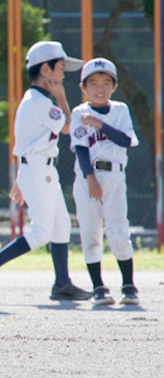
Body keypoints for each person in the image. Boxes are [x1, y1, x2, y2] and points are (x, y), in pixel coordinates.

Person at [0, 41, 92, 301]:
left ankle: (61, 284)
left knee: (61, 226)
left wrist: (21, 177)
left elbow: (24, 140)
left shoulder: (35, 99)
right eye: (59, 68)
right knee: (42, 231)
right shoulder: (39, 100)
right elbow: (68, 127)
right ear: (45, 70)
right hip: (38, 169)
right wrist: (61, 97)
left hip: (39, 169)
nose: (63, 74)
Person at [68, 58, 140, 306]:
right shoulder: (79, 113)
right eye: (94, 83)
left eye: (106, 82)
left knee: (119, 229)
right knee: (90, 232)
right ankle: (98, 287)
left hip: (115, 175)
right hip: (89, 177)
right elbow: (80, 149)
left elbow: (125, 140)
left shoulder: (119, 110)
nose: (100, 88)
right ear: (83, 87)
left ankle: (129, 285)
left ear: (114, 85)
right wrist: (90, 179)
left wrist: (98, 124)